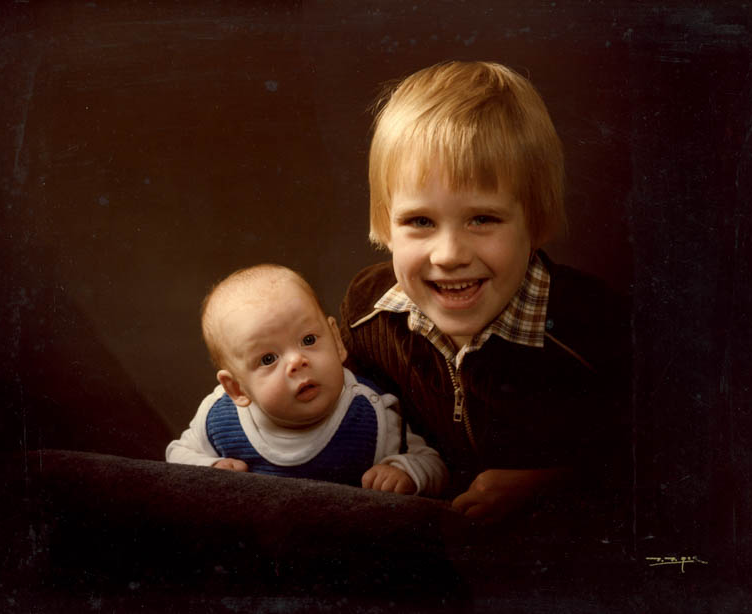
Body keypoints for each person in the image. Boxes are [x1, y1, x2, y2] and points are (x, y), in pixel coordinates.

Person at [340, 61, 631, 527]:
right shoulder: (367, 315)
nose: (449, 254)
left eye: (482, 219)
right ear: (385, 223)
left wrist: (547, 484)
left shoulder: (594, 329)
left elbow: (656, 467)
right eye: (420, 222)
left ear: (533, 221)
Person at [167, 264, 448, 496]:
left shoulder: (370, 412)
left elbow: (433, 464)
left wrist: (403, 472)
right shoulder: (219, 417)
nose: (297, 362)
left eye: (309, 340)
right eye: (268, 359)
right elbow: (177, 454)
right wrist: (209, 467)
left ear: (337, 341)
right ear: (237, 388)